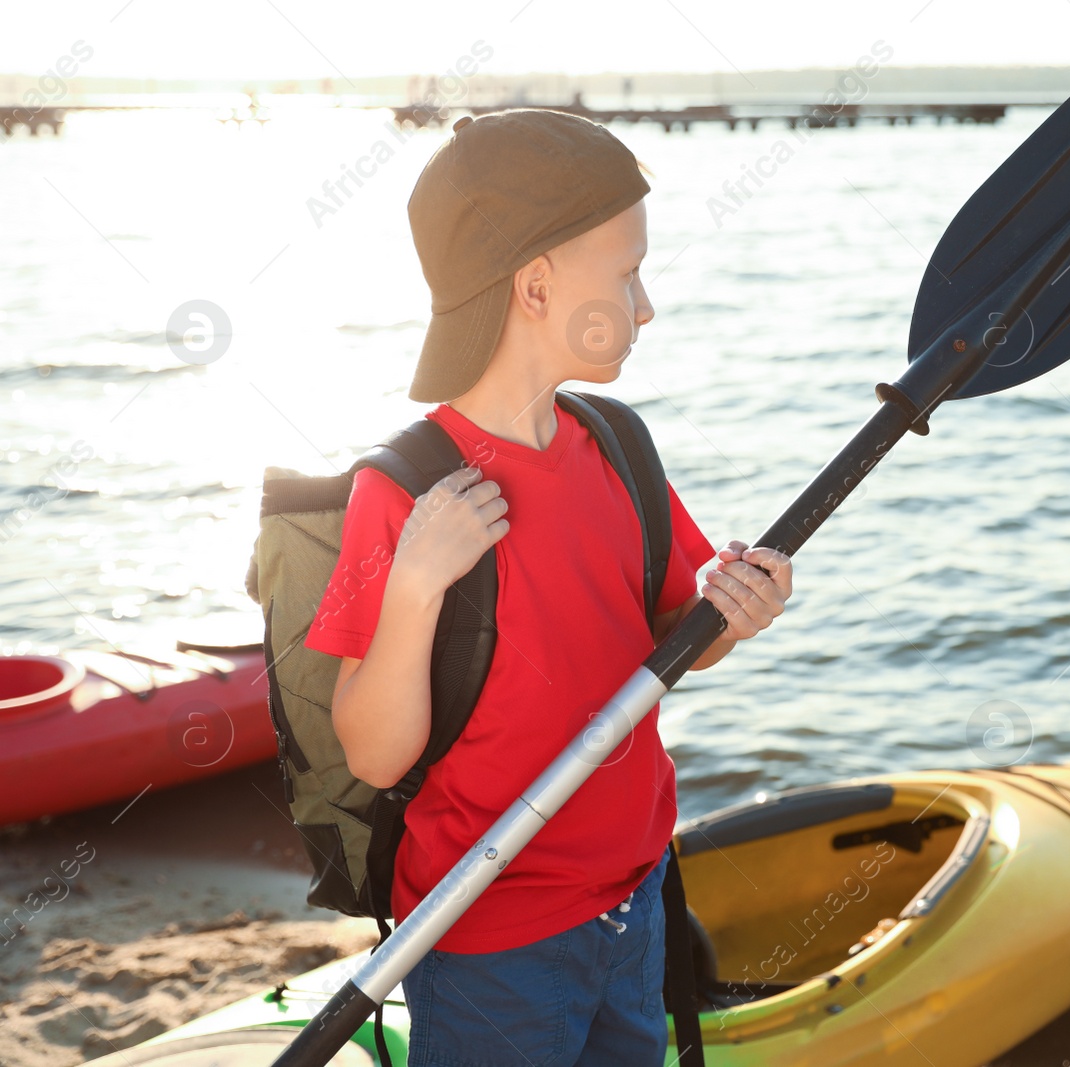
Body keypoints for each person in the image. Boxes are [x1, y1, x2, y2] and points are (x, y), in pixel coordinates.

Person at [303, 109, 794, 1066]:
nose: (644, 304)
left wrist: (733, 609)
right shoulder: (407, 488)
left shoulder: (617, 445)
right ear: (534, 285)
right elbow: (371, 750)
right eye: (627, 272)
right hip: (493, 941)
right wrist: (414, 585)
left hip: (636, 897)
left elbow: (665, 647)